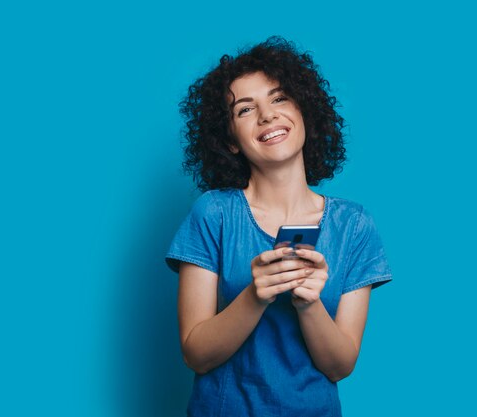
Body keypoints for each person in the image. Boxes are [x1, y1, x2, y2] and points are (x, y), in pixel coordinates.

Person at [165, 36, 392, 417]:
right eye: (244, 110)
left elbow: (340, 366)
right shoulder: (213, 214)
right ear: (231, 141)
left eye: (279, 98)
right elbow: (196, 354)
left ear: (305, 112)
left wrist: (308, 304)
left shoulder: (354, 226)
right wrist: (256, 295)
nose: (267, 115)